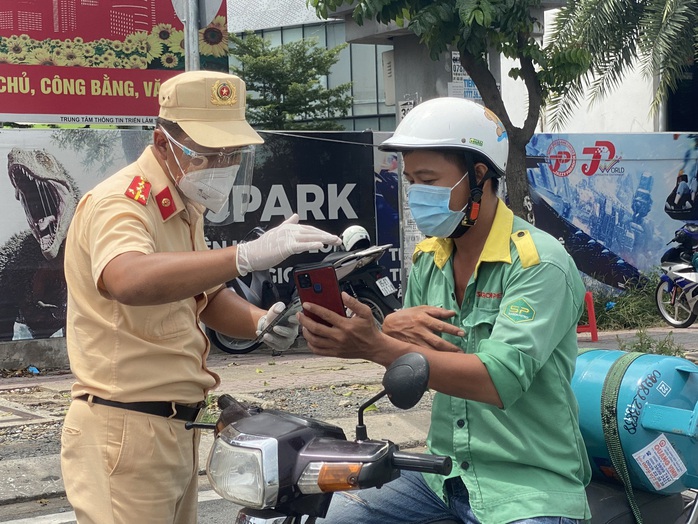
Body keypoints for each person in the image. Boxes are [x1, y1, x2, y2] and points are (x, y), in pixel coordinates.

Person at [60, 70, 342, 524]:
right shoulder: (121, 202)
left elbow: (206, 299)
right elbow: (127, 278)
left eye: (231, 154)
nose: (220, 165)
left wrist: (259, 321)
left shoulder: (182, 206)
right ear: (162, 141)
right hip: (125, 426)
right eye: (208, 153)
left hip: (176, 427)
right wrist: (244, 255)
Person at [298, 97, 592, 524]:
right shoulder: (429, 259)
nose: (417, 193)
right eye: (411, 180)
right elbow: (418, 367)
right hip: (440, 475)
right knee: (322, 517)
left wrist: (378, 346)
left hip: (527, 489)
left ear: (478, 177)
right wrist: (389, 331)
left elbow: (499, 381)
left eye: (430, 180)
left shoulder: (538, 263)